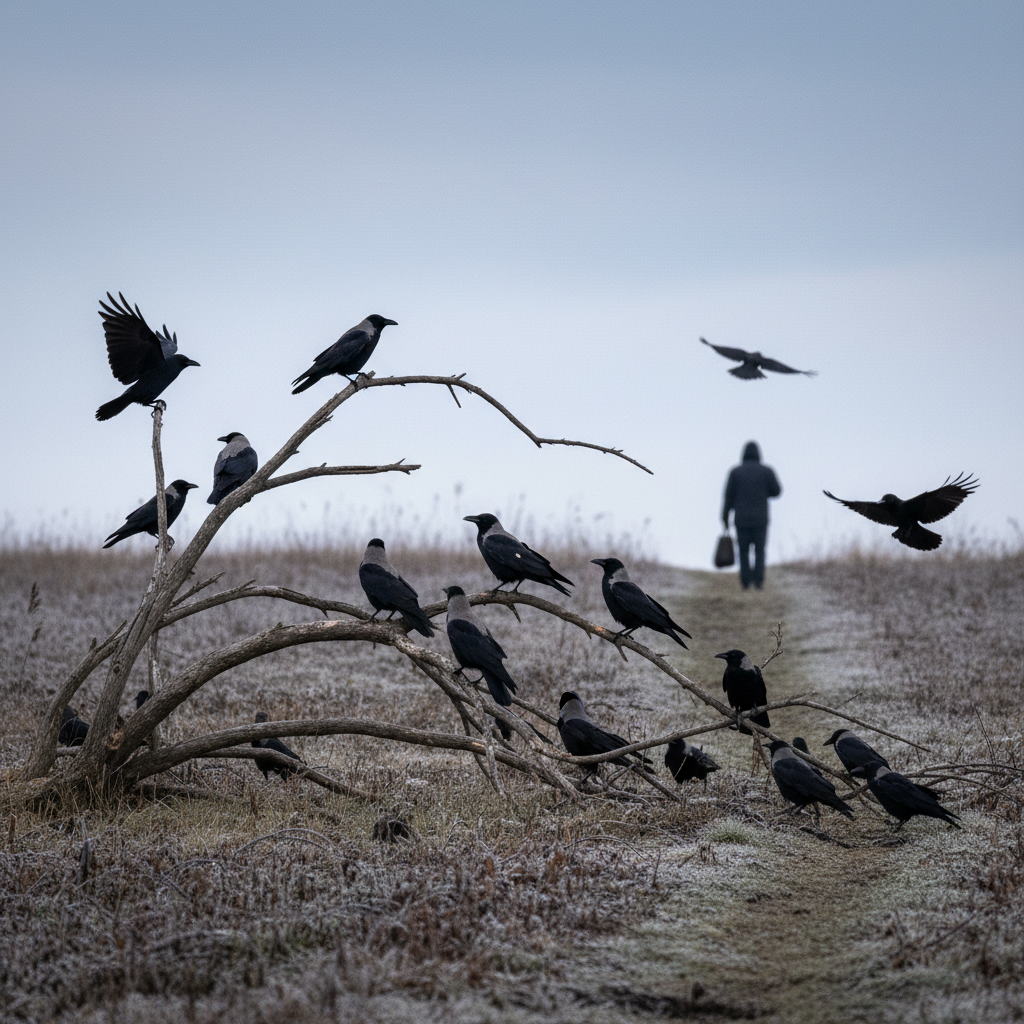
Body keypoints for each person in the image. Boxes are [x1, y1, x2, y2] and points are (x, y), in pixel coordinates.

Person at [722, 442, 781, 590]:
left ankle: (745, 582)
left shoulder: (735, 472)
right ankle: (759, 582)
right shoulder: (766, 471)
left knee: (743, 551)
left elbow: (728, 497)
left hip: (741, 519)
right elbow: (777, 491)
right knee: (760, 550)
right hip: (761, 519)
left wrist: (724, 517)